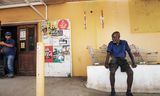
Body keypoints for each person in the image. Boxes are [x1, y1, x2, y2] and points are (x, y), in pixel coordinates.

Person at [105, 31, 137, 96]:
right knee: (112, 72)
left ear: (119, 37)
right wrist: (106, 62)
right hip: (114, 60)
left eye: (114, 37)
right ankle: (113, 91)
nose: (113, 39)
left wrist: (133, 62)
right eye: (112, 37)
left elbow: (129, 52)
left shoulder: (124, 43)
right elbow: (108, 54)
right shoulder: (111, 43)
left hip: (123, 60)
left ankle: (128, 91)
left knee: (130, 73)